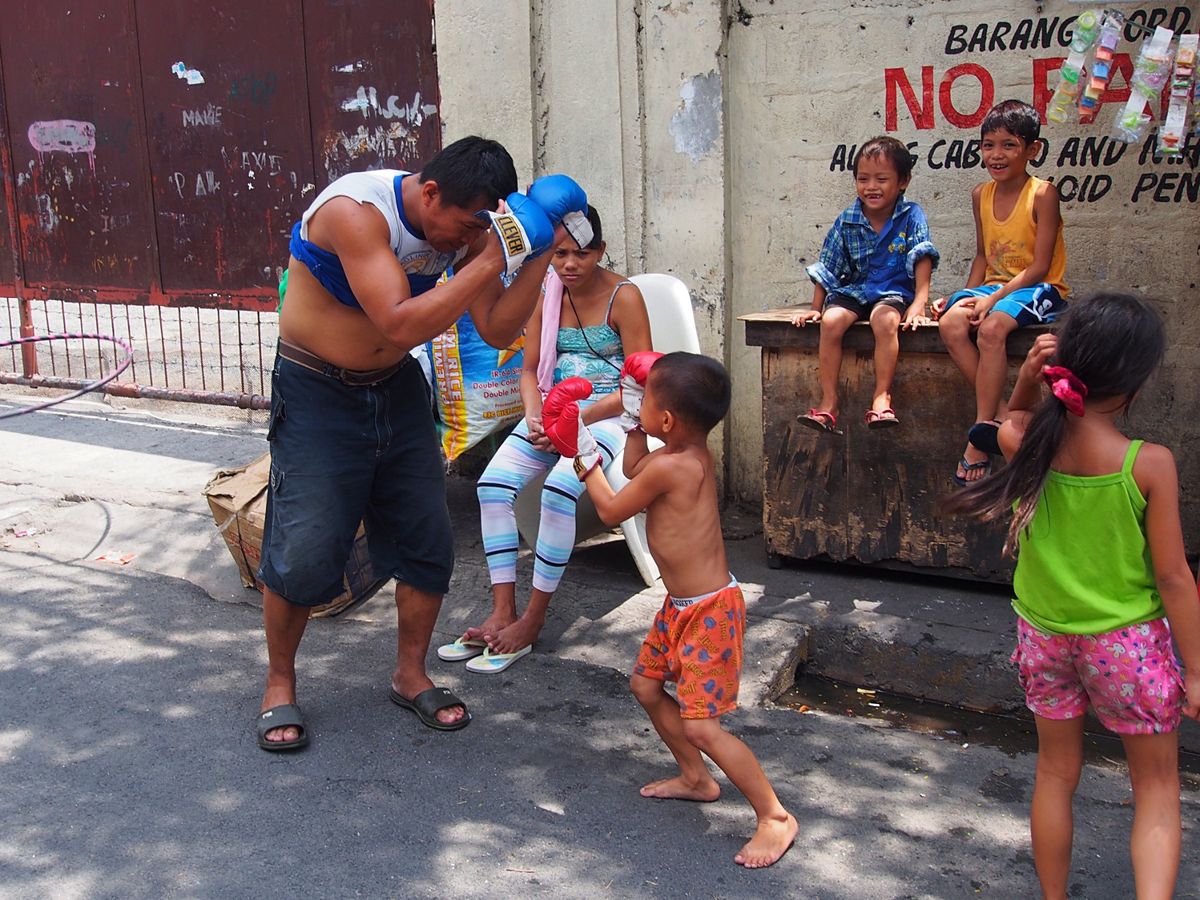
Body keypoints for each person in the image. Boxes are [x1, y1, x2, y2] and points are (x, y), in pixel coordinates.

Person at [256, 135, 591, 748]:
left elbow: (493, 327)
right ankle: (280, 684)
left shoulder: (465, 226)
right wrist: (492, 258)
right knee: (306, 543)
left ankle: (410, 675)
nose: (466, 240)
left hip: (396, 389)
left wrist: (539, 254)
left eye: (477, 230)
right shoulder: (356, 213)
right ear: (431, 192)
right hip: (318, 391)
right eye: (463, 226)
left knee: (425, 540)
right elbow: (400, 321)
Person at [944, 293, 1200, 900]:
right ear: (1133, 384)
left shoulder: (1025, 440)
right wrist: (1196, 671)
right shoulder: (1149, 464)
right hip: (1128, 647)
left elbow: (1006, 419)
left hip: (1044, 638)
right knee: (1157, 790)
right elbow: (1174, 580)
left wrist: (1026, 380)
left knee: (1056, 775)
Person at [541, 352, 798, 868]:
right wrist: (637, 422)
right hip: (682, 606)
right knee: (645, 685)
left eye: (645, 401)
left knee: (704, 726)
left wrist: (582, 452)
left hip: (708, 614)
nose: (638, 407)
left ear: (667, 420)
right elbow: (636, 466)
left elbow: (613, 507)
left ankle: (774, 815)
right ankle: (696, 778)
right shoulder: (687, 454)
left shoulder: (674, 465)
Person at [438, 207, 651, 672]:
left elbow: (638, 383)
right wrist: (537, 414)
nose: (569, 265)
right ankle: (502, 611)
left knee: (558, 493)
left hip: (607, 418)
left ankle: (532, 621)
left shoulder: (625, 298)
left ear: (601, 251)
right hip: (552, 414)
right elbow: (530, 369)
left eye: (581, 254)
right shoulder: (547, 292)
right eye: (559, 255)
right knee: (491, 487)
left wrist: (575, 419)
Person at [934, 100, 1069, 486]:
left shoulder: (1043, 193)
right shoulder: (981, 194)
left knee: (992, 330)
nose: (996, 154)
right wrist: (966, 293)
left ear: (1032, 150)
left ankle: (981, 432)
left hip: (1041, 287)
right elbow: (982, 255)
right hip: (996, 287)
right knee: (951, 324)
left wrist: (991, 300)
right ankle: (1005, 416)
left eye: (1009, 145)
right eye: (988, 144)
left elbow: (1041, 265)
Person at [792, 135, 938, 432]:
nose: (871, 187)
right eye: (863, 179)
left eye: (882, 179)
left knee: (884, 322)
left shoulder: (911, 216)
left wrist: (919, 304)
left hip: (893, 291)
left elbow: (922, 256)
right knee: (832, 321)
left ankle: (881, 398)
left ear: (903, 181)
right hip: (856, 289)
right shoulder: (848, 219)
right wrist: (816, 308)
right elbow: (828, 265)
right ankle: (829, 403)